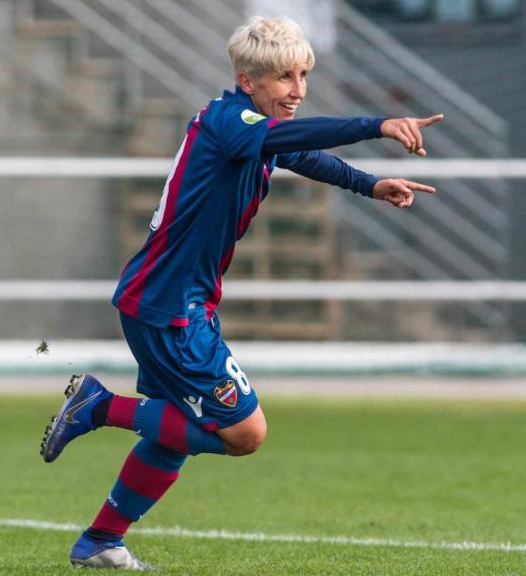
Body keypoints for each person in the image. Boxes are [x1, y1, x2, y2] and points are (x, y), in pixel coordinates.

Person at [39, 15, 442, 571]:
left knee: (176, 434)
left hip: (170, 302)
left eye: (302, 75)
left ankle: (100, 541)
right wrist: (377, 124)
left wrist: (369, 184)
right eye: (284, 78)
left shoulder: (245, 126)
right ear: (249, 80)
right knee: (243, 432)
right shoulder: (234, 123)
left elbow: (299, 153)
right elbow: (288, 139)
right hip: (169, 309)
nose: (297, 89)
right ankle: (99, 406)